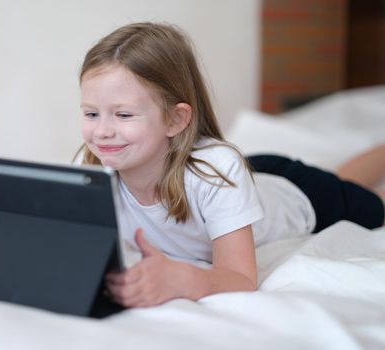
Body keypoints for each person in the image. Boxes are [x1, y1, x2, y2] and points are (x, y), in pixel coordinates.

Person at [76, 22, 385, 308]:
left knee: (368, 201)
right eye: (91, 114)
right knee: (342, 176)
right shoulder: (91, 171)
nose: (102, 131)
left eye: (124, 115)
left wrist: (181, 278)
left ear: (175, 119)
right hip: (245, 177)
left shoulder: (216, 172)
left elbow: (241, 278)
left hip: (298, 194)